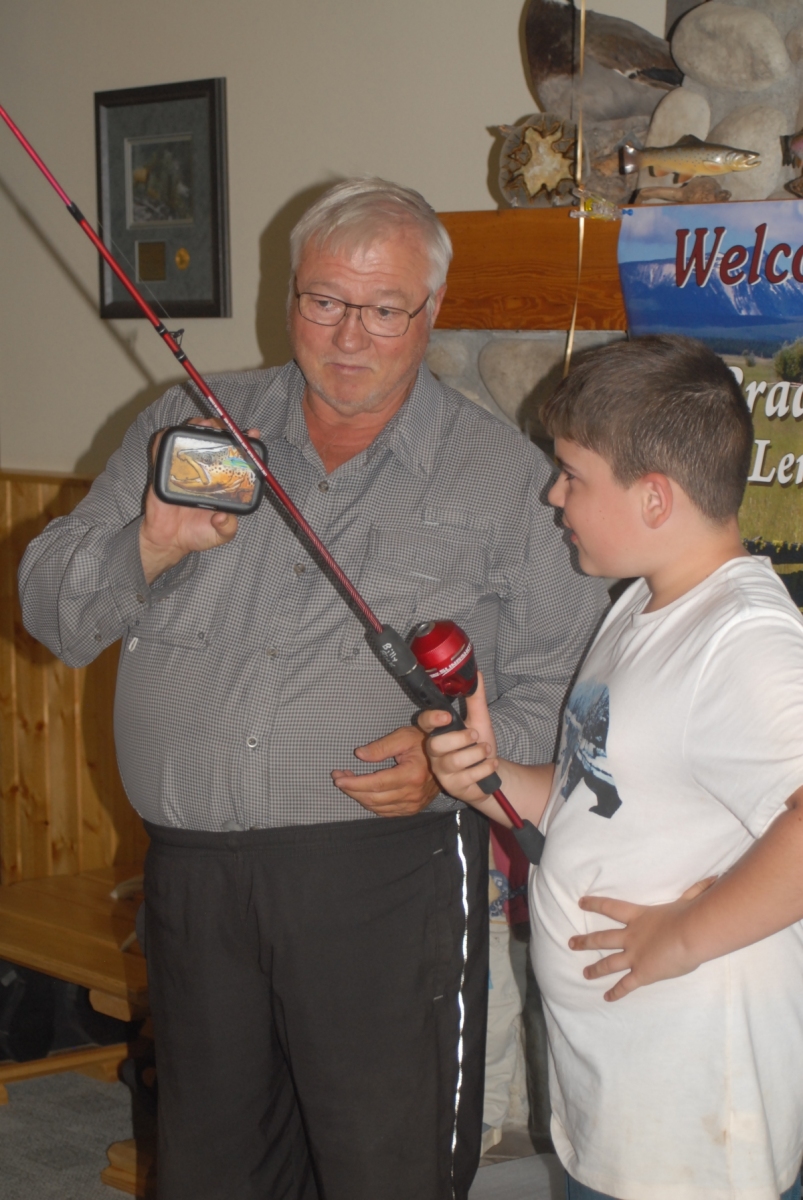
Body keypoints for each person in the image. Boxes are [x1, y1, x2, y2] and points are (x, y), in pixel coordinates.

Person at [18, 178, 607, 1200]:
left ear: (431, 311)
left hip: (384, 881)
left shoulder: (505, 478)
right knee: (211, 1168)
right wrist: (148, 545)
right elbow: (52, 613)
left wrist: (446, 762)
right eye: (324, 300)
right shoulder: (188, 425)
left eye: (383, 310)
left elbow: (562, 688)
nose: (347, 335)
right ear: (289, 292)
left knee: (384, 1169)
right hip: (193, 882)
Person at [420, 335, 803, 1200]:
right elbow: (594, 797)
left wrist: (682, 934)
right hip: (624, 1097)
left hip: (697, 1118)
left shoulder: (741, 640)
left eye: (571, 474)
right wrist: (489, 775)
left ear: (654, 497)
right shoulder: (641, 602)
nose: (553, 496)